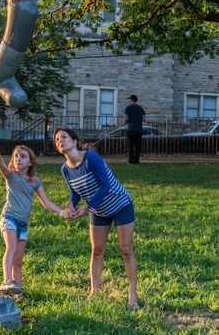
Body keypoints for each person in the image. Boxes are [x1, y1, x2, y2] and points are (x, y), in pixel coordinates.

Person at [53, 128, 139, 310]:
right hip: (98, 210)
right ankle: (95, 292)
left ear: (75, 141)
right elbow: (75, 192)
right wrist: (70, 204)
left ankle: (132, 295)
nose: (60, 140)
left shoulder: (90, 158)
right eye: (57, 139)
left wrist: (86, 206)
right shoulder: (65, 169)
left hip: (120, 204)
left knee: (125, 249)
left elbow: (104, 185)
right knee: (97, 250)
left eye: (64, 137)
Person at [0, 143, 67, 301]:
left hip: (22, 224)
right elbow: (1, 164)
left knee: (18, 260)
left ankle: (18, 294)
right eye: (16, 156)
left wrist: (61, 212)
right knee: (11, 247)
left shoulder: (34, 181)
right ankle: (6, 281)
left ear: (30, 162)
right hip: (9, 217)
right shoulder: (11, 175)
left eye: (23, 156)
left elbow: (45, 202)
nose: (18, 159)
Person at [124, 95, 146, 164]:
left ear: (131, 100)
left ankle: (130, 160)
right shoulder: (141, 109)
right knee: (138, 146)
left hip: (131, 129)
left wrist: (128, 121)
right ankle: (136, 160)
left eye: (129, 99)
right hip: (139, 129)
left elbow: (125, 118)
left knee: (131, 146)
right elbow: (144, 119)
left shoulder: (128, 108)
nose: (129, 101)